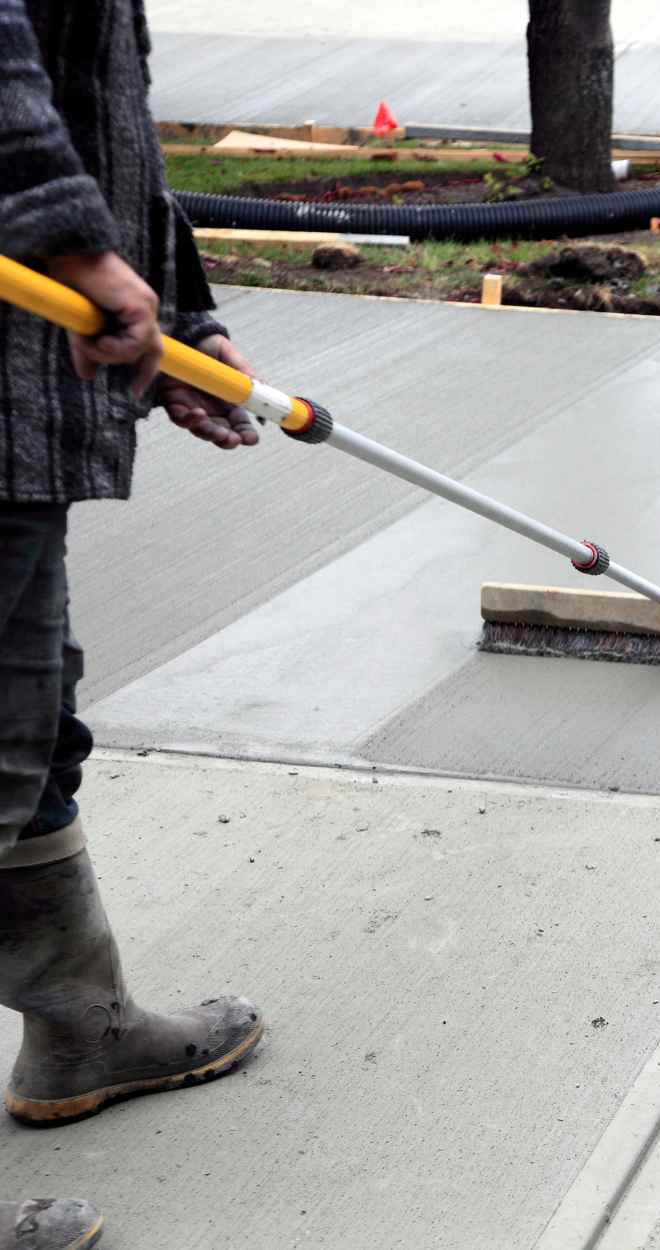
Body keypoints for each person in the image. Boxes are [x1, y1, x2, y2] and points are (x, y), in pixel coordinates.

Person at [1, 3, 265, 1246]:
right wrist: (76, 247)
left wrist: (179, 315)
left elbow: (83, 95)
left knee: (25, 732)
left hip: (24, 400)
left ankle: (80, 1025)